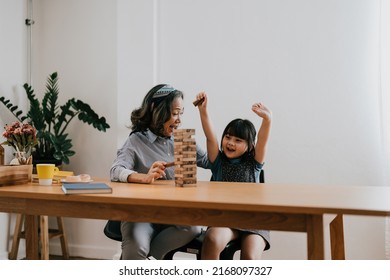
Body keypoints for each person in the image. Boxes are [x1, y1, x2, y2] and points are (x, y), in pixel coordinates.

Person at [110, 84, 209, 260]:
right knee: (137, 247)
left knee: (192, 227)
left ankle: (149, 260)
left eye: (181, 113)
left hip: (173, 213)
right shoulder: (136, 140)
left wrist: (204, 113)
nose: (179, 120)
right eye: (175, 113)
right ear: (157, 110)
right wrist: (143, 177)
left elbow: (210, 162)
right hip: (140, 214)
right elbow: (116, 170)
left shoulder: (182, 139)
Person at [194, 91, 272, 260]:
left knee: (250, 257)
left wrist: (267, 120)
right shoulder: (218, 161)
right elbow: (210, 137)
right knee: (212, 239)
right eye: (228, 137)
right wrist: (203, 110)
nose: (230, 143)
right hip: (225, 219)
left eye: (238, 140)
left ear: (249, 146)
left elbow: (263, 141)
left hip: (253, 221)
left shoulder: (254, 163)